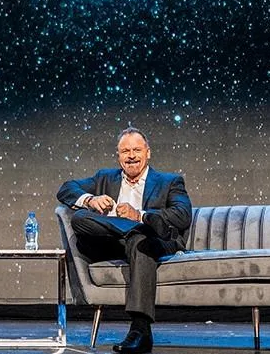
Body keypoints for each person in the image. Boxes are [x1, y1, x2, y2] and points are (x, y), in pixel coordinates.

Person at [57, 127, 192, 354]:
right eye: (125, 151)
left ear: (148, 153)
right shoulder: (104, 178)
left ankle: (140, 329)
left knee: (140, 240)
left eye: (137, 150)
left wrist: (139, 215)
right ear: (118, 156)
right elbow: (66, 189)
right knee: (80, 218)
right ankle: (133, 229)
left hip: (152, 243)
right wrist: (90, 200)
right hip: (112, 243)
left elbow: (182, 215)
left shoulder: (169, 181)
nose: (131, 156)